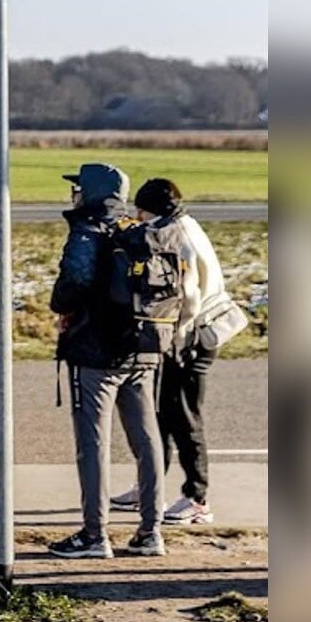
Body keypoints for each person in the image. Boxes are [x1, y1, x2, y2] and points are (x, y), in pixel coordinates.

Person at [47, 163, 167, 560]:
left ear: (92, 192)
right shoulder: (137, 227)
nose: (73, 195)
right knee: (146, 439)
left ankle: (95, 534)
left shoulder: (88, 229)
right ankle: (151, 532)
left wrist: (60, 305)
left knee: (93, 443)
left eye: (77, 187)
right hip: (143, 345)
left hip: (97, 352)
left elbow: (76, 280)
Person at [112, 178, 222, 526]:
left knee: (184, 417)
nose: (137, 218)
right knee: (160, 414)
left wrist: (177, 337)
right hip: (189, 335)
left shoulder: (177, 236)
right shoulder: (185, 224)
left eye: (139, 211)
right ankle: (149, 486)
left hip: (191, 338)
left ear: (150, 210)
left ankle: (197, 497)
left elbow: (188, 296)